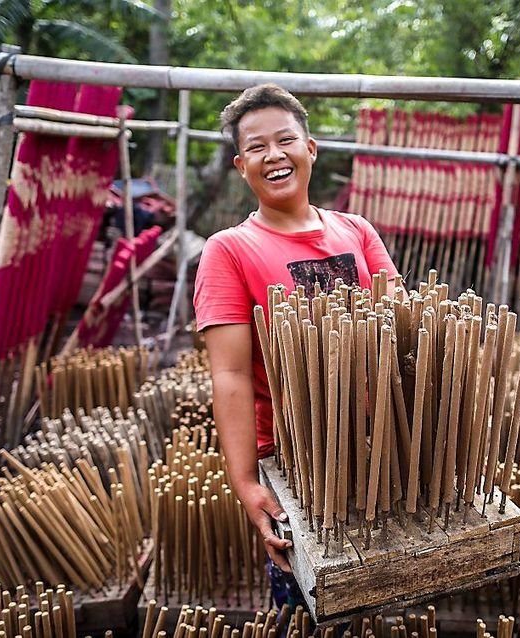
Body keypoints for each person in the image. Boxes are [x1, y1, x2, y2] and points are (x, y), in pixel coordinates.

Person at [192, 84, 397, 607]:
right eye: (257, 147)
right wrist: (245, 483)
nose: (273, 155)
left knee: (391, 600)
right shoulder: (229, 251)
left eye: (285, 140)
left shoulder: (357, 231)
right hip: (293, 461)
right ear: (241, 166)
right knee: (309, 606)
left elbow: (403, 329)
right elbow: (231, 376)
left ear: (310, 149)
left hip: (380, 444)